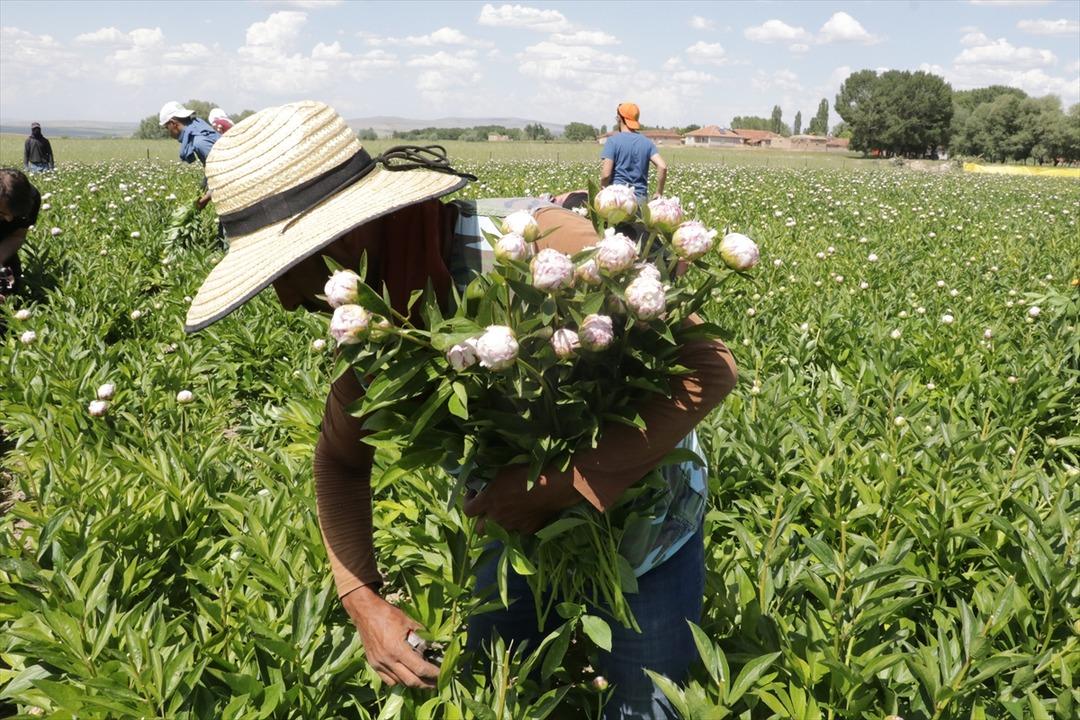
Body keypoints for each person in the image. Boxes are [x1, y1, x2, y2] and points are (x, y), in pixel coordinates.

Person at [182, 101, 737, 720]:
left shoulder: (545, 247)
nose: (287, 299)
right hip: (512, 533)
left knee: (645, 701)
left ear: (357, 232)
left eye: (293, 268)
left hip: (648, 530)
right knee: (509, 694)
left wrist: (561, 484)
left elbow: (710, 367)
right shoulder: (382, 324)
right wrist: (363, 598)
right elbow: (340, 464)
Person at [159, 101, 221, 210]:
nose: (168, 132)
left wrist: (205, 199)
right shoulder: (198, 129)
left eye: (166, 127)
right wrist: (203, 188)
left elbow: (223, 172)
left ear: (173, 123)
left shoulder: (199, 142)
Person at [600, 103, 667, 201]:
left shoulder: (612, 141)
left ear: (619, 118)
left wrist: (602, 193)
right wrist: (658, 192)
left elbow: (606, 175)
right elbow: (663, 166)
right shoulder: (647, 143)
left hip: (616, 201)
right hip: (639, 201)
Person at [0, 169, 41, 302]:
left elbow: (16, 236)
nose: (10, 219)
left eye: (15, 214)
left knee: (11, 286)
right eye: (2, 212)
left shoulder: (31, 198)